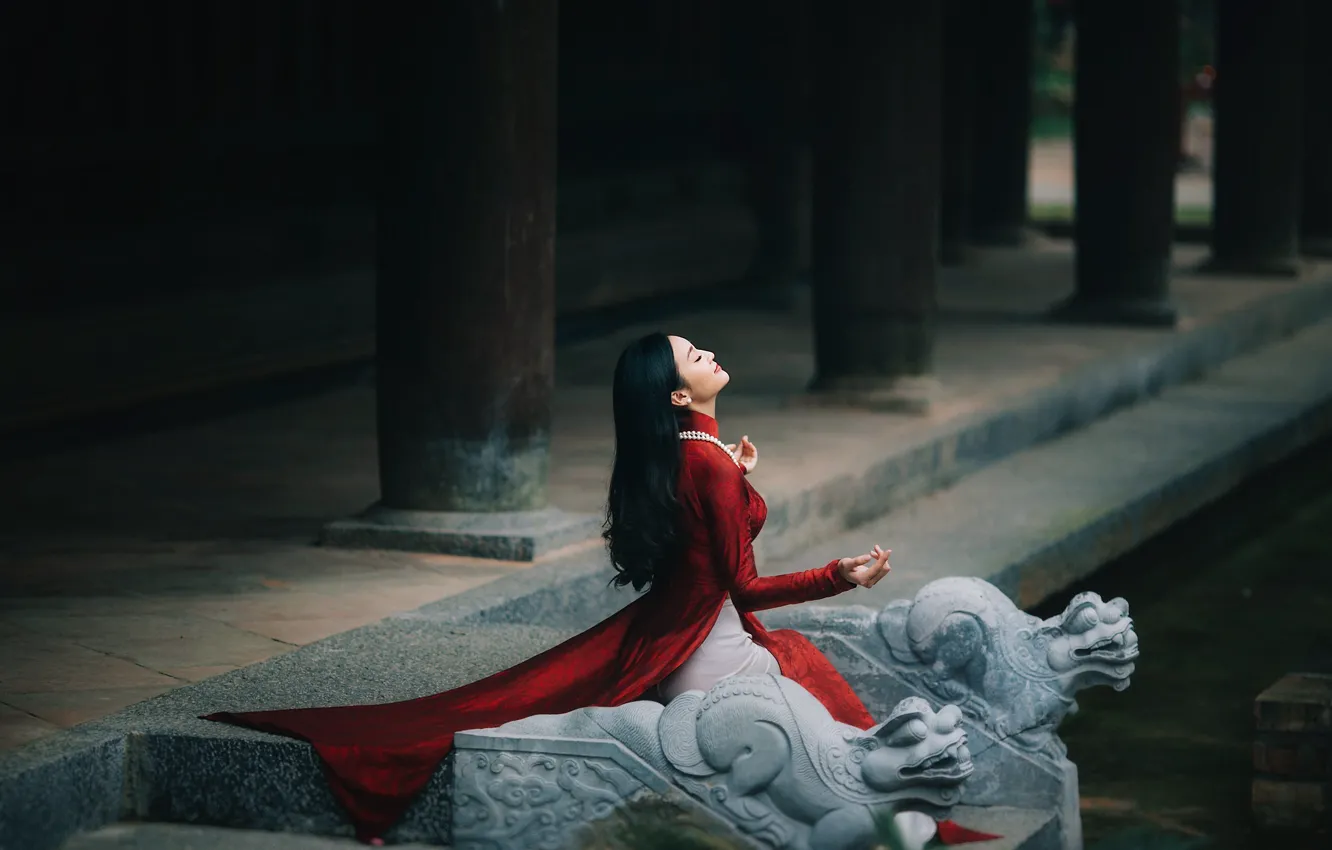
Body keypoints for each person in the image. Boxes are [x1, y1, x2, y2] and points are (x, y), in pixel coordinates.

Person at [203, 332, 991, 846]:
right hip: (713, 654)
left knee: (812, 689)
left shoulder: (694, 458)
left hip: (692, 638)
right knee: (813, 694)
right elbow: (743, 588)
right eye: (694, 357)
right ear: (680, 398)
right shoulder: (704, 464)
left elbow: (705, 546)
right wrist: (838, 576)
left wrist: (738, 481)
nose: (709, 354)